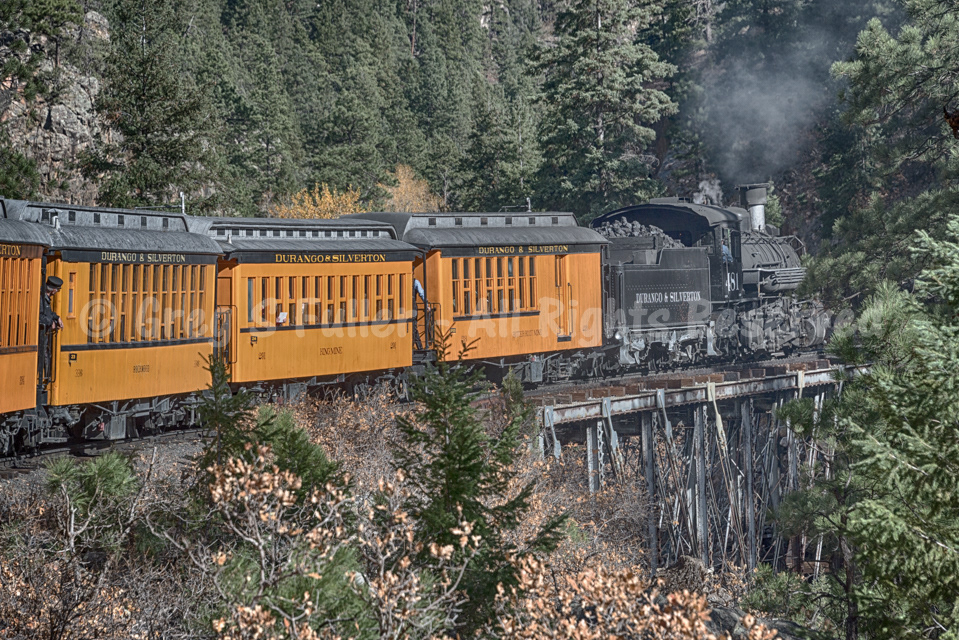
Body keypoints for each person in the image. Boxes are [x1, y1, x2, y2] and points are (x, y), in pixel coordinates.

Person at [39, 275, 63, 381]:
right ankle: (43, 378)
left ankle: (45, 377)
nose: (57, 292)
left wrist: (57, 318)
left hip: (44, 334)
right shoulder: (41, 299)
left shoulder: (46, 298)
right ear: (53, 290)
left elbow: (48, 313)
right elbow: (39, 315)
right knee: (43, 354)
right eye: (57, 290)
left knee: (46, 353)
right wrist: (50, 322)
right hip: (40, 334)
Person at [413, 277, 427, 349]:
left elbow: (422, 294)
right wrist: (427, 305)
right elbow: (422, 293)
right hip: (412, 307)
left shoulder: (401, 279)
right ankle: (419, 347)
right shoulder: (415, 282)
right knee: (414, 327)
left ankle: (419, 347)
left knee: (412, 327)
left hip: (406, 307)